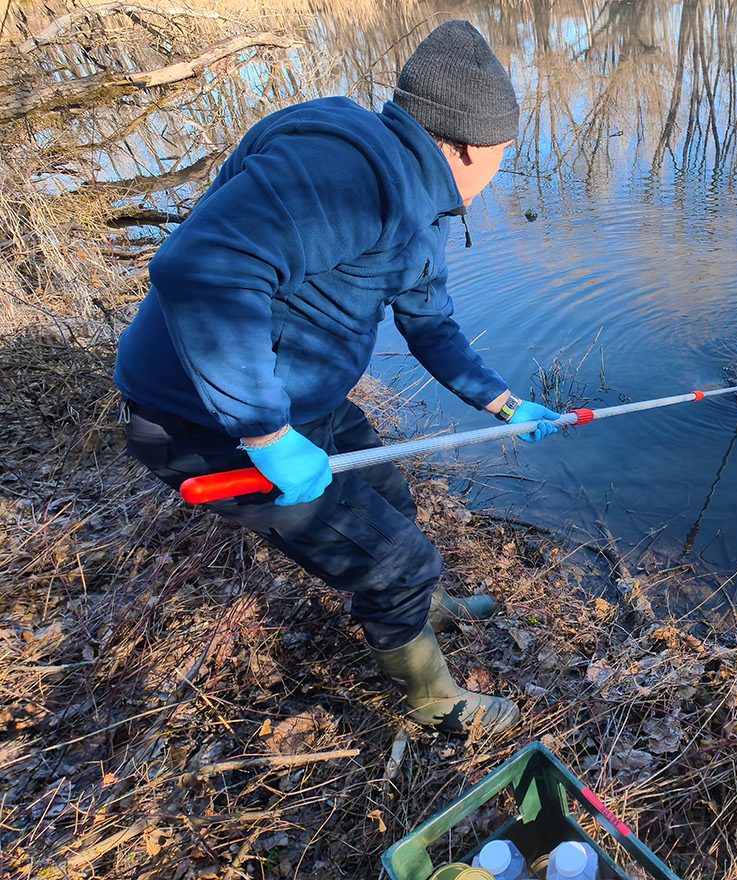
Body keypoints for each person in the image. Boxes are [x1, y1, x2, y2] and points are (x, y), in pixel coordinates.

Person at [113, 20, 558, 736]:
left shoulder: (422, 198)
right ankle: (434, 702)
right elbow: (201, 270)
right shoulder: (348, 171)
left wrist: (502, 402)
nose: (502, 168)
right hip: (204, 420)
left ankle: (422, 607)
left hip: (298, 398)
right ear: (474, 145)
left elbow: (429, 321)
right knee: (395, 558)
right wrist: (264, 433)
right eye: (504, 153)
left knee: (388, 493)